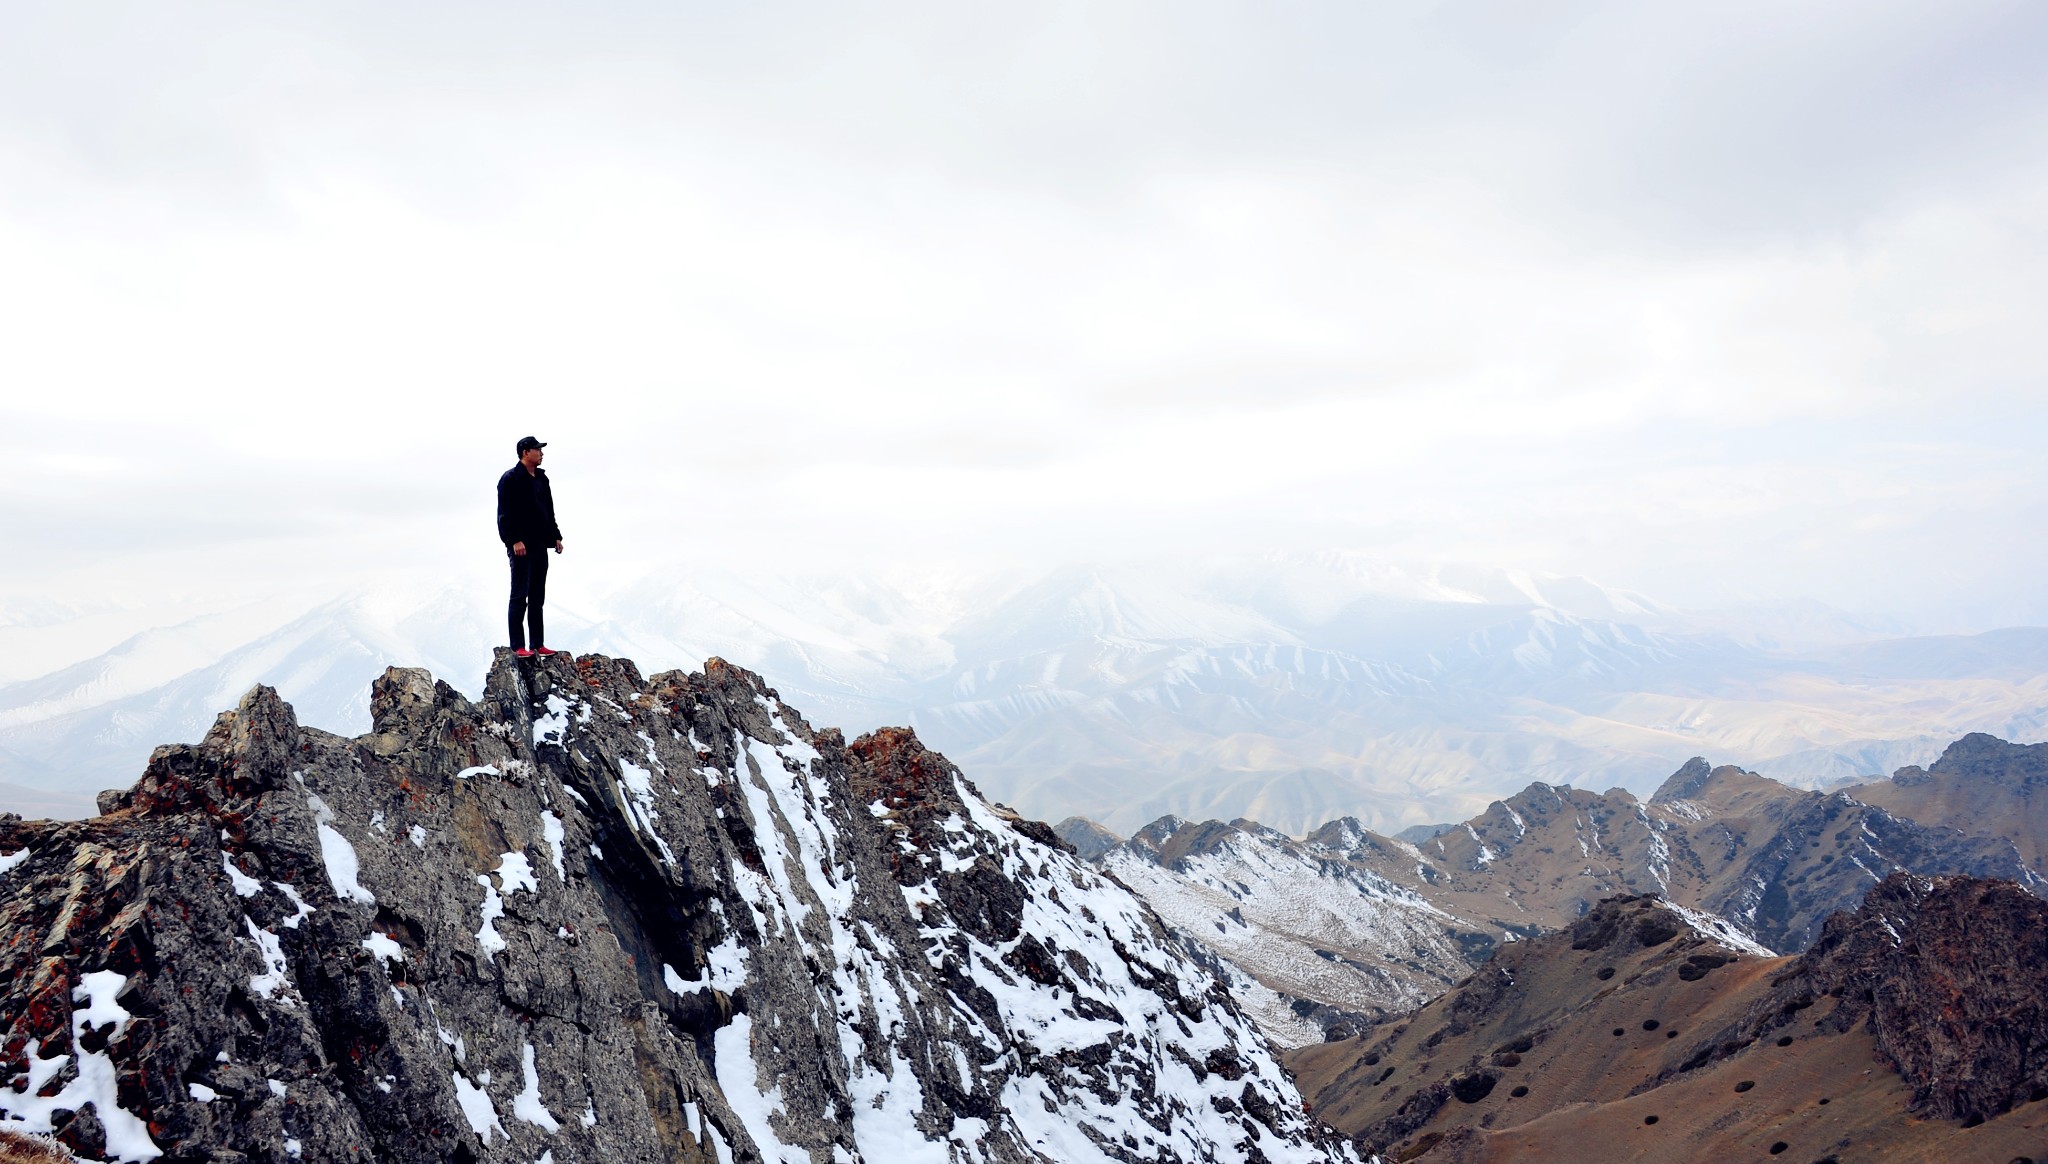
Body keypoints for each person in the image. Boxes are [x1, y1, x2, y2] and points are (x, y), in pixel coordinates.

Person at [496, 435, 564, 658]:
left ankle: (538, 643)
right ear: (526, 452)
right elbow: (505, 514)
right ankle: (518, 646)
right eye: (538, 450)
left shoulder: (542, 479)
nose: (541, 453)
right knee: (519, 595)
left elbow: (548, 510)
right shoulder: (510, 479)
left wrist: (555, 536)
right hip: (521, 547)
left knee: (537, 596)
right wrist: (514, 540)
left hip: (539, 545)